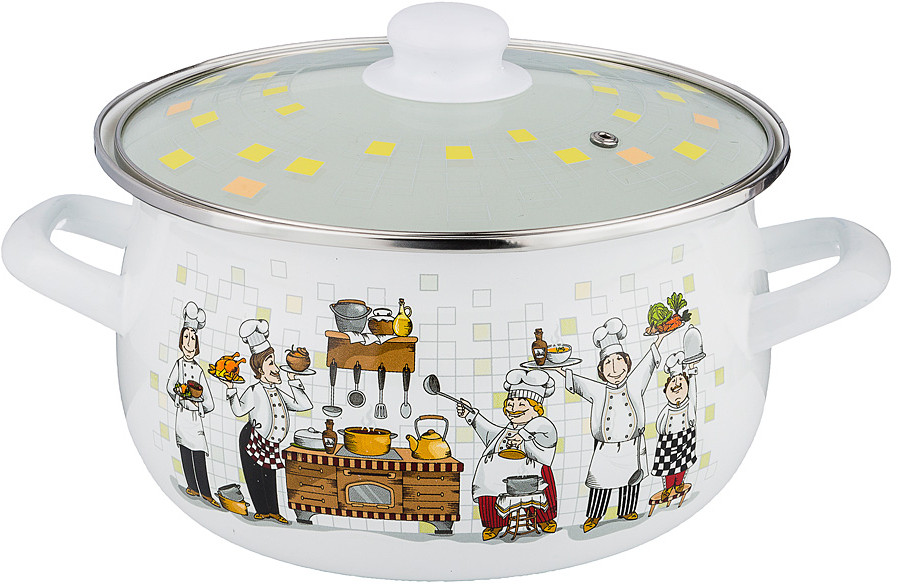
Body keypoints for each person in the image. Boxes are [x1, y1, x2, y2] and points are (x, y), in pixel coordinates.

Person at [555, 317, 671, 533]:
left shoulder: (634, 383)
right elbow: (578, 383)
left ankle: (627, 510)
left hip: (631, 446)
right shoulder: (598, 390)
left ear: (627, 364)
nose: (615, 368)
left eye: (619, 361)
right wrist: (559, 369)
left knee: (631, 481)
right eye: (608, 363)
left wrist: (660, 338)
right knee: (600, 484)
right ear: (601, 370)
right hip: (606, 450)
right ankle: (594, 516)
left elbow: (648, 362)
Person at [223, 319, 313, 524]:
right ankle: (262, 510)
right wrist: (231, 390)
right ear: (260, 368)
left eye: (274, 362)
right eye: (270, 363)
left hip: (271, 442)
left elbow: (303, 405)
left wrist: (294, 381)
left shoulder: (278, 391)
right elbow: (239, 410)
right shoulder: (255, 391)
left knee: (269, 476)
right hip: (252, 438)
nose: (276, 368)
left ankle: (274, 511)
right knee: (255, 475)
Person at [457, 369, 558, 541]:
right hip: (500, 473)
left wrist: (523, 436)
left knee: (541, 484)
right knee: (486, 481)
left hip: (529, 472)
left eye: (522, 404)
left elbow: (544, 426)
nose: (513, 408)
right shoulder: (508, 428)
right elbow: (490, 432)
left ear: (536, 409)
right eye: (510, 403)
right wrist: (471, 415)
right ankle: (493, 523)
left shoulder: (541, 426)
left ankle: (544, 519)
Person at [166, 301, 219, 508]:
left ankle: (206, 492)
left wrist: (199, 404)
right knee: (185, 452)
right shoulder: (179, 365)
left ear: (197, 344)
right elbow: (170, 386)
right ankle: (192, 486)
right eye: (186, 337)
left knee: (198, 452)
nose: (189, 342)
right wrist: (179, 395)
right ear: (181, 341)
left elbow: (210, 402)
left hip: (195, 419)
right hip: (182, 416)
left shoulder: (198, 371)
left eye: (193, 338)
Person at [651, 352, 698, 501]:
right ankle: (668, 488)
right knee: (668, 468)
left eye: (681, 382)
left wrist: (692, 373)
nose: (677, 384)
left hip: (685, 437)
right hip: (668, 441)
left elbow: (693, 394)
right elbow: (659, 425)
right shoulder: (667, 410)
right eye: (673, 383)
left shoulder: (689, 405)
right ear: (666, 390)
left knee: (682, 464)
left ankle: (679, 484)